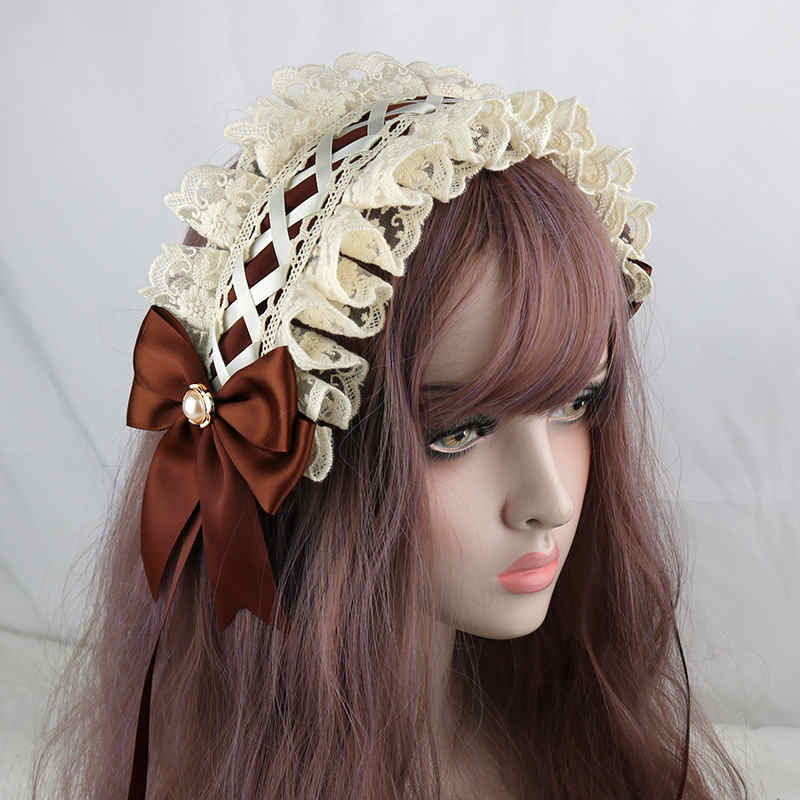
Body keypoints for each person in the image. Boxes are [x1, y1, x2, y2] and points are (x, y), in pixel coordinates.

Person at [31, 53, 749, 799]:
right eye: (458, 433)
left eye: (575, 404)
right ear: (303, 462)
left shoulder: (587, 753)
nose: (551, 502)